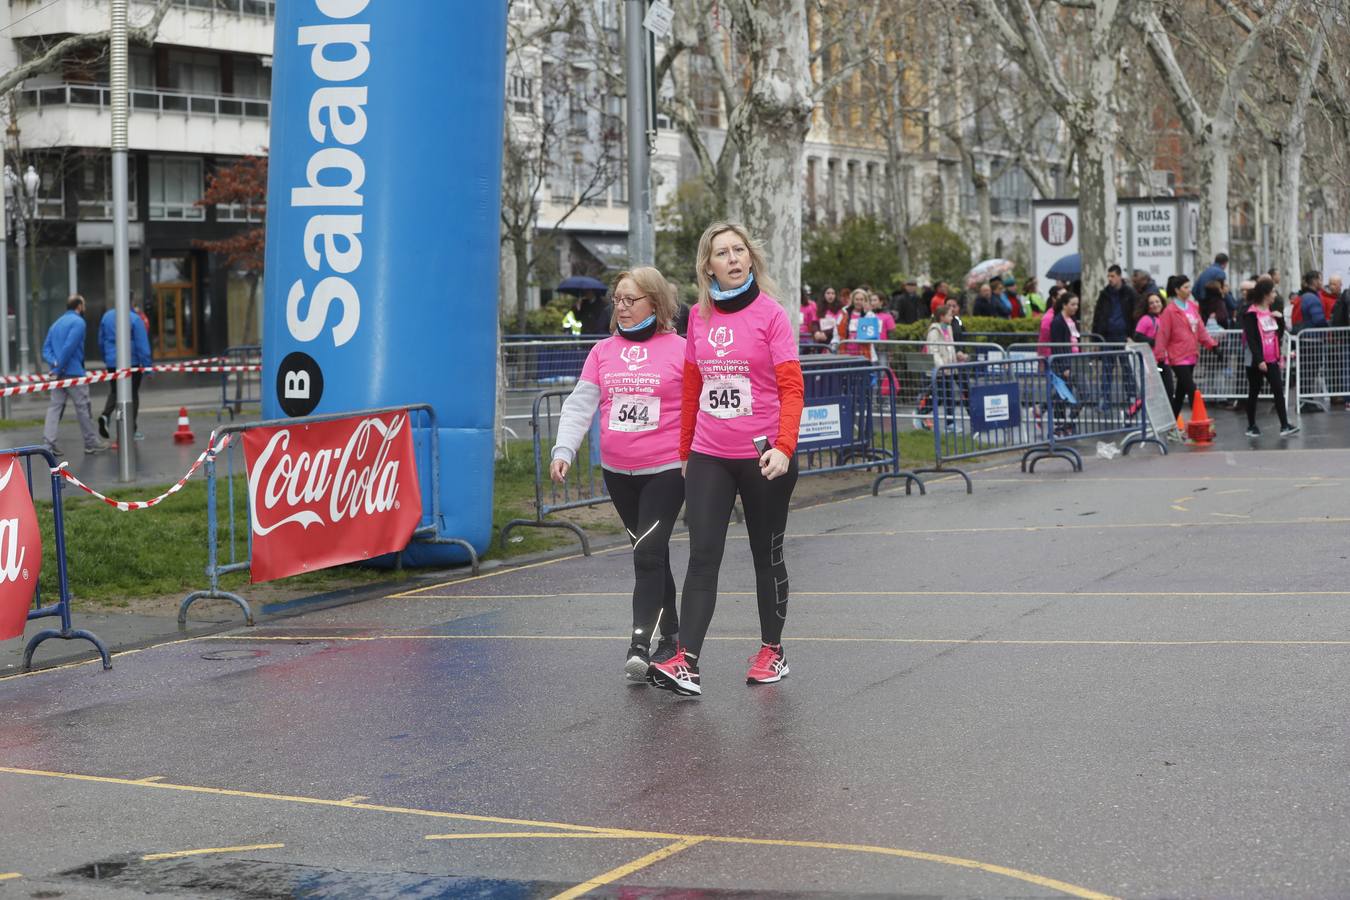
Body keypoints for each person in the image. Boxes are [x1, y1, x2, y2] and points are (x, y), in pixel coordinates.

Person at [648, 222, 803, 697]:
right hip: (710, 454)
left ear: (751, 259)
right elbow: (693, 386)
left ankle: (772, 651)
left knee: (765, 555)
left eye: (740, 250)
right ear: (707, 265)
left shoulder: (771, 315)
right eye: (723, 252)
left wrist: (784, 447)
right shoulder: (700, 316)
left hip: (764, 457)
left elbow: (792, 388)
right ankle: (686, 662)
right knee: (702, 555)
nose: (733, 258)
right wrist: (684, 452)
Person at [550, 267, 685, 681]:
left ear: (655, 303)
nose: (622, 307)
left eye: (631, 300)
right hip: (618, 473)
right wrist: (563, 450)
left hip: (666, 469)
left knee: (646, 554)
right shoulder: (602, 352)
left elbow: (701, 405)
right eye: (618, 299)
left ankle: (639, 644)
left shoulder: (681, 349)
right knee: (653, 556)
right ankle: (673, 635)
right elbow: (579, 404)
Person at [41, 295, 108, 457]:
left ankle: (48, 445)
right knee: (83, 408)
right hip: (73, 373)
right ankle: (91, 443)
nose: (84, 308)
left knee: (54, 408)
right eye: (83, 305)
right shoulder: (79, 322)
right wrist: (59, 368)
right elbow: (69, 348)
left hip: (59, 375)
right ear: (79, 306)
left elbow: (46, 349)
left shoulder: (56, 324)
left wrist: (55, 365)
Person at [1240, 278, 1298, 438]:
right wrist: (1259, 360)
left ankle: (1285, 425)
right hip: (1255, 361)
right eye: (1272, 291)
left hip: (1272, 358)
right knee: (1254, 391)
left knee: (1278, 390)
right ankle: (1251, 425)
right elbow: (1251, 339)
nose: (1274, 294)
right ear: (1265, 294)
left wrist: (1279, 319)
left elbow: (1277, 335)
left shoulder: (1271, 312)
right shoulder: (1251, 314)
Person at [1156, 273, 1220, 418]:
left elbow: (1201, 329)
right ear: (1177, 290)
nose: (1189, 290)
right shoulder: (1170, 311)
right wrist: (1159, 356)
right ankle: (1200, 423)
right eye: (1185, 287)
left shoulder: (1192, 307)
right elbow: (1163, 334)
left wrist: (1213, 346)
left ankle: (1171, 424)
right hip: (1177, 356)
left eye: (1189, 286)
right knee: (1192, 390)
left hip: (1191, 354)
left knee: (1180, 393)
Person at [97, 302, 153, 441]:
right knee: (131, 395)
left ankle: (106, 414)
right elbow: (142, 344)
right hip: (131, 363)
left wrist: (107, 359)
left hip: (112, 362)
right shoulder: (134, 318)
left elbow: (100, 340)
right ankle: (130, 430)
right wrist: (147, 366)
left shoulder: (106, 317)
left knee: (115, 391)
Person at [1132, 292, 1175, 403]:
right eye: (1151, 303)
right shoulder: (1146, 319)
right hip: (1152, 363)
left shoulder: (1164, 317)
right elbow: (1137, 336)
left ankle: (1166, 416)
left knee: (1167, 390)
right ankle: (1130, 413)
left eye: (1157, 301)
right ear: (1147, 306)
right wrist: (1155, 342)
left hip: (1163, 360)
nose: (1155, 305)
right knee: (1153, 391)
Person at [1092, 265, 1139, 343]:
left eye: (1112, 276)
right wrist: (1095, 340)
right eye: (1108, 276)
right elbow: (1097, 317)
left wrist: (1133, 336)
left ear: (1119, 276)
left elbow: (1136, 315)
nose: (1110, 279)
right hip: (1107, 336)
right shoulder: (1104, 294)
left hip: (1124, 336)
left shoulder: (1130, 293)